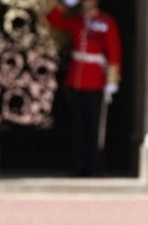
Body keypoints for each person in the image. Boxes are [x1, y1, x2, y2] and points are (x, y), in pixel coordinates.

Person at [46, 0, 122, 176]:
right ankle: (80, 166)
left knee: (94, 127)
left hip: (96, 81)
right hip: (77, 80)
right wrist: (65, 4)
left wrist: (112, 79)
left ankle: (95, 167)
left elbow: (114, 50)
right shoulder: (76, 20)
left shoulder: (105, 22)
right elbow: (53, 20)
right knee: (78, 127)